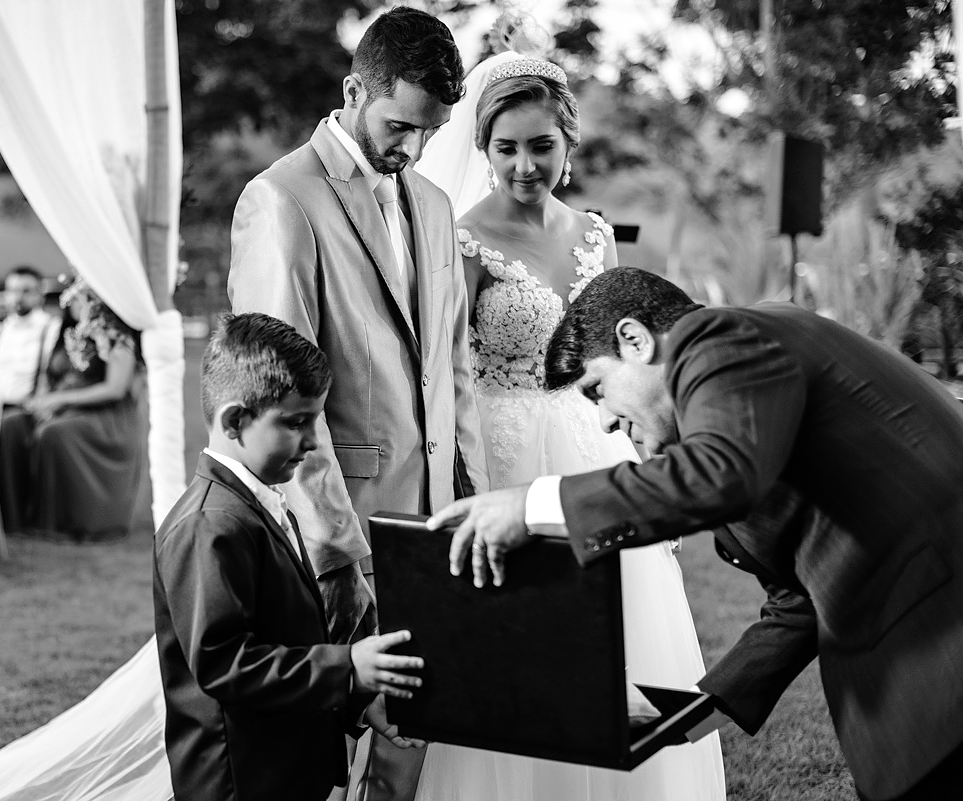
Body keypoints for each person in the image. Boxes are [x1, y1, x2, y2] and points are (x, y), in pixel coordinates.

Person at [431, 266, 963, 801]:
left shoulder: (722, 340)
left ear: (634, 340)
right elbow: (799, 604)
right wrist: (679, 717)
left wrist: (533, 502)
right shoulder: (740, 410)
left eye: (598, 390)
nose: (606, 423)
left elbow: (721, 474)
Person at [412, 37, 725, 799]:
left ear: (569, 143)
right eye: (506, 147)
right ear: (482, 146)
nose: (524, 165)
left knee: (626, 625)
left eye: (541, 146)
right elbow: (446, 371)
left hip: (597, 447)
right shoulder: (462, 238)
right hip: (508, 453)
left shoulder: (593, 233)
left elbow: (614, 352)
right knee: (527, 644)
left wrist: (655, 458)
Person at [228, 8, 487, 797]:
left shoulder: (437, 205)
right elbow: (282, 410)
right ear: (353, 90)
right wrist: (342, 559)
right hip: (332, 533)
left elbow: (454, 365)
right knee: (321, 752)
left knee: (410, 732)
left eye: (432, 132)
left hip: (435, 520)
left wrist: (469, 489)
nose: (412, 147)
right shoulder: (281, 200)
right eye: (400, 124)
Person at [155, 312, 425, 801]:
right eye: (296, 423)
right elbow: (224, 663)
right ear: (236, 420)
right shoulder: (210, 524)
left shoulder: (258, 499)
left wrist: (357, 701)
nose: (310, 443)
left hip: (285, 771)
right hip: (241, 780)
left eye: (314, 423)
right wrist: (347, 667)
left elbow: (287, 637)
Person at [23, 275, 145, 542]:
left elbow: (115, 389)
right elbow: (50, 376)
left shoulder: (116, 338)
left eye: (87, 299)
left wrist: (61, 401)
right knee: (15, 426)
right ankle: (19, 514)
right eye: (76, 299)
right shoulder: (65, 334)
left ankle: (69, 521)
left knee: (55, 434)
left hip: (105, 417)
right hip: (66, 407)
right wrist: (45, 399)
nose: (80, 306)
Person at [0, 265, 61, 532]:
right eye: (12, 291)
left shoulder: (51, 329)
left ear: (39, 295)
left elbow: (50, 372)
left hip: (28, 407)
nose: (18, 298)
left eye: (26, 291)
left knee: (7, 428)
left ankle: (10, 517)